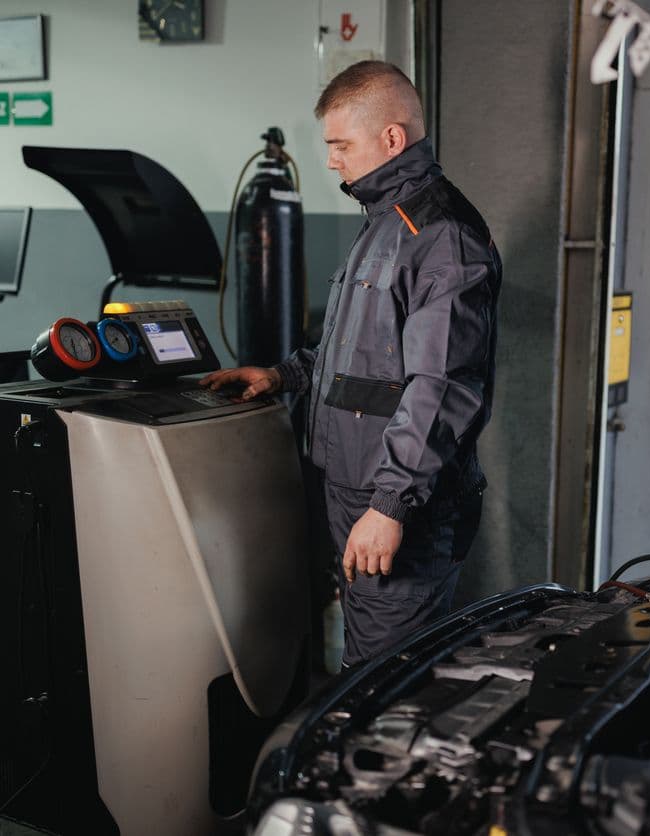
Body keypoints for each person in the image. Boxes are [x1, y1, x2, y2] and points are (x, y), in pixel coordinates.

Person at [202, 61, 501, 668]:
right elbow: (362, 353)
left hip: (400, 505)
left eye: (340, 145)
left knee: (385, 681)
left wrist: (390, 506)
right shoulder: (385, 225)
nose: (332, 161)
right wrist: (285, 376)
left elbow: (442, 386)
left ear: (391, 139)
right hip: (354, 488)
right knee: (365, 660)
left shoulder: (440, 234)